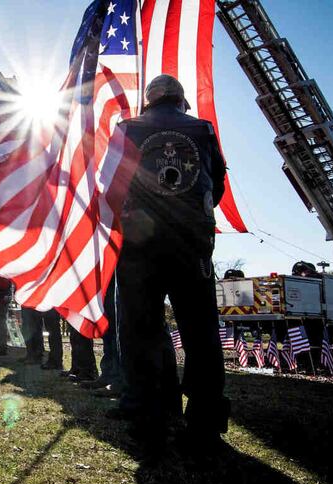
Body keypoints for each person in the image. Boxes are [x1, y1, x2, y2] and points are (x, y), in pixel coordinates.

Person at [110, 75, 230, 448]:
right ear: (180, 101)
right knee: (201, 332)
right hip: (192, 246)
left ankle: (146, 409)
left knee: (139, 329)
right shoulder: (204, 130)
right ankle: (206, 416)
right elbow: (218, 184)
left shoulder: (126, 128)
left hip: (138, 245)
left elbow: (111, 184)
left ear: (149, 101)